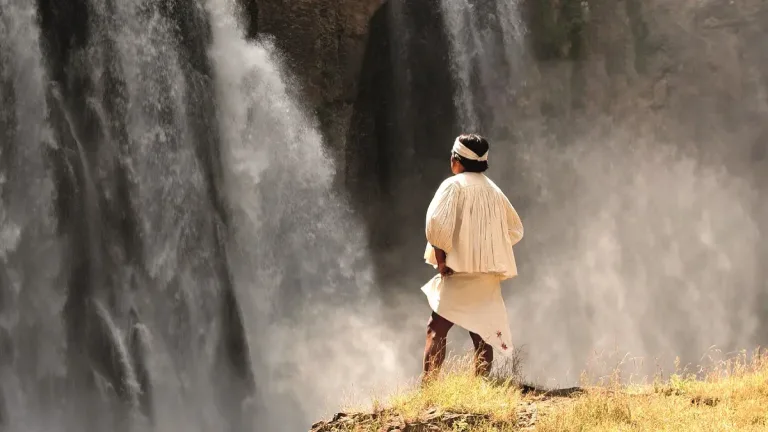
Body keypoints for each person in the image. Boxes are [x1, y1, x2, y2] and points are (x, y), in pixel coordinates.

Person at [420, 133, 524, 382]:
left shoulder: (453, 185)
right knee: (482, 333)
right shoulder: (494, 190)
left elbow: (436, 224)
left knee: (436, 329)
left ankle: (429, 386)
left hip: (459, 273)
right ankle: (481, 387)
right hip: (486, 274)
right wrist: (487, 250)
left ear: (456, 159)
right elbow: (515, 230)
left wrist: (443, 260)